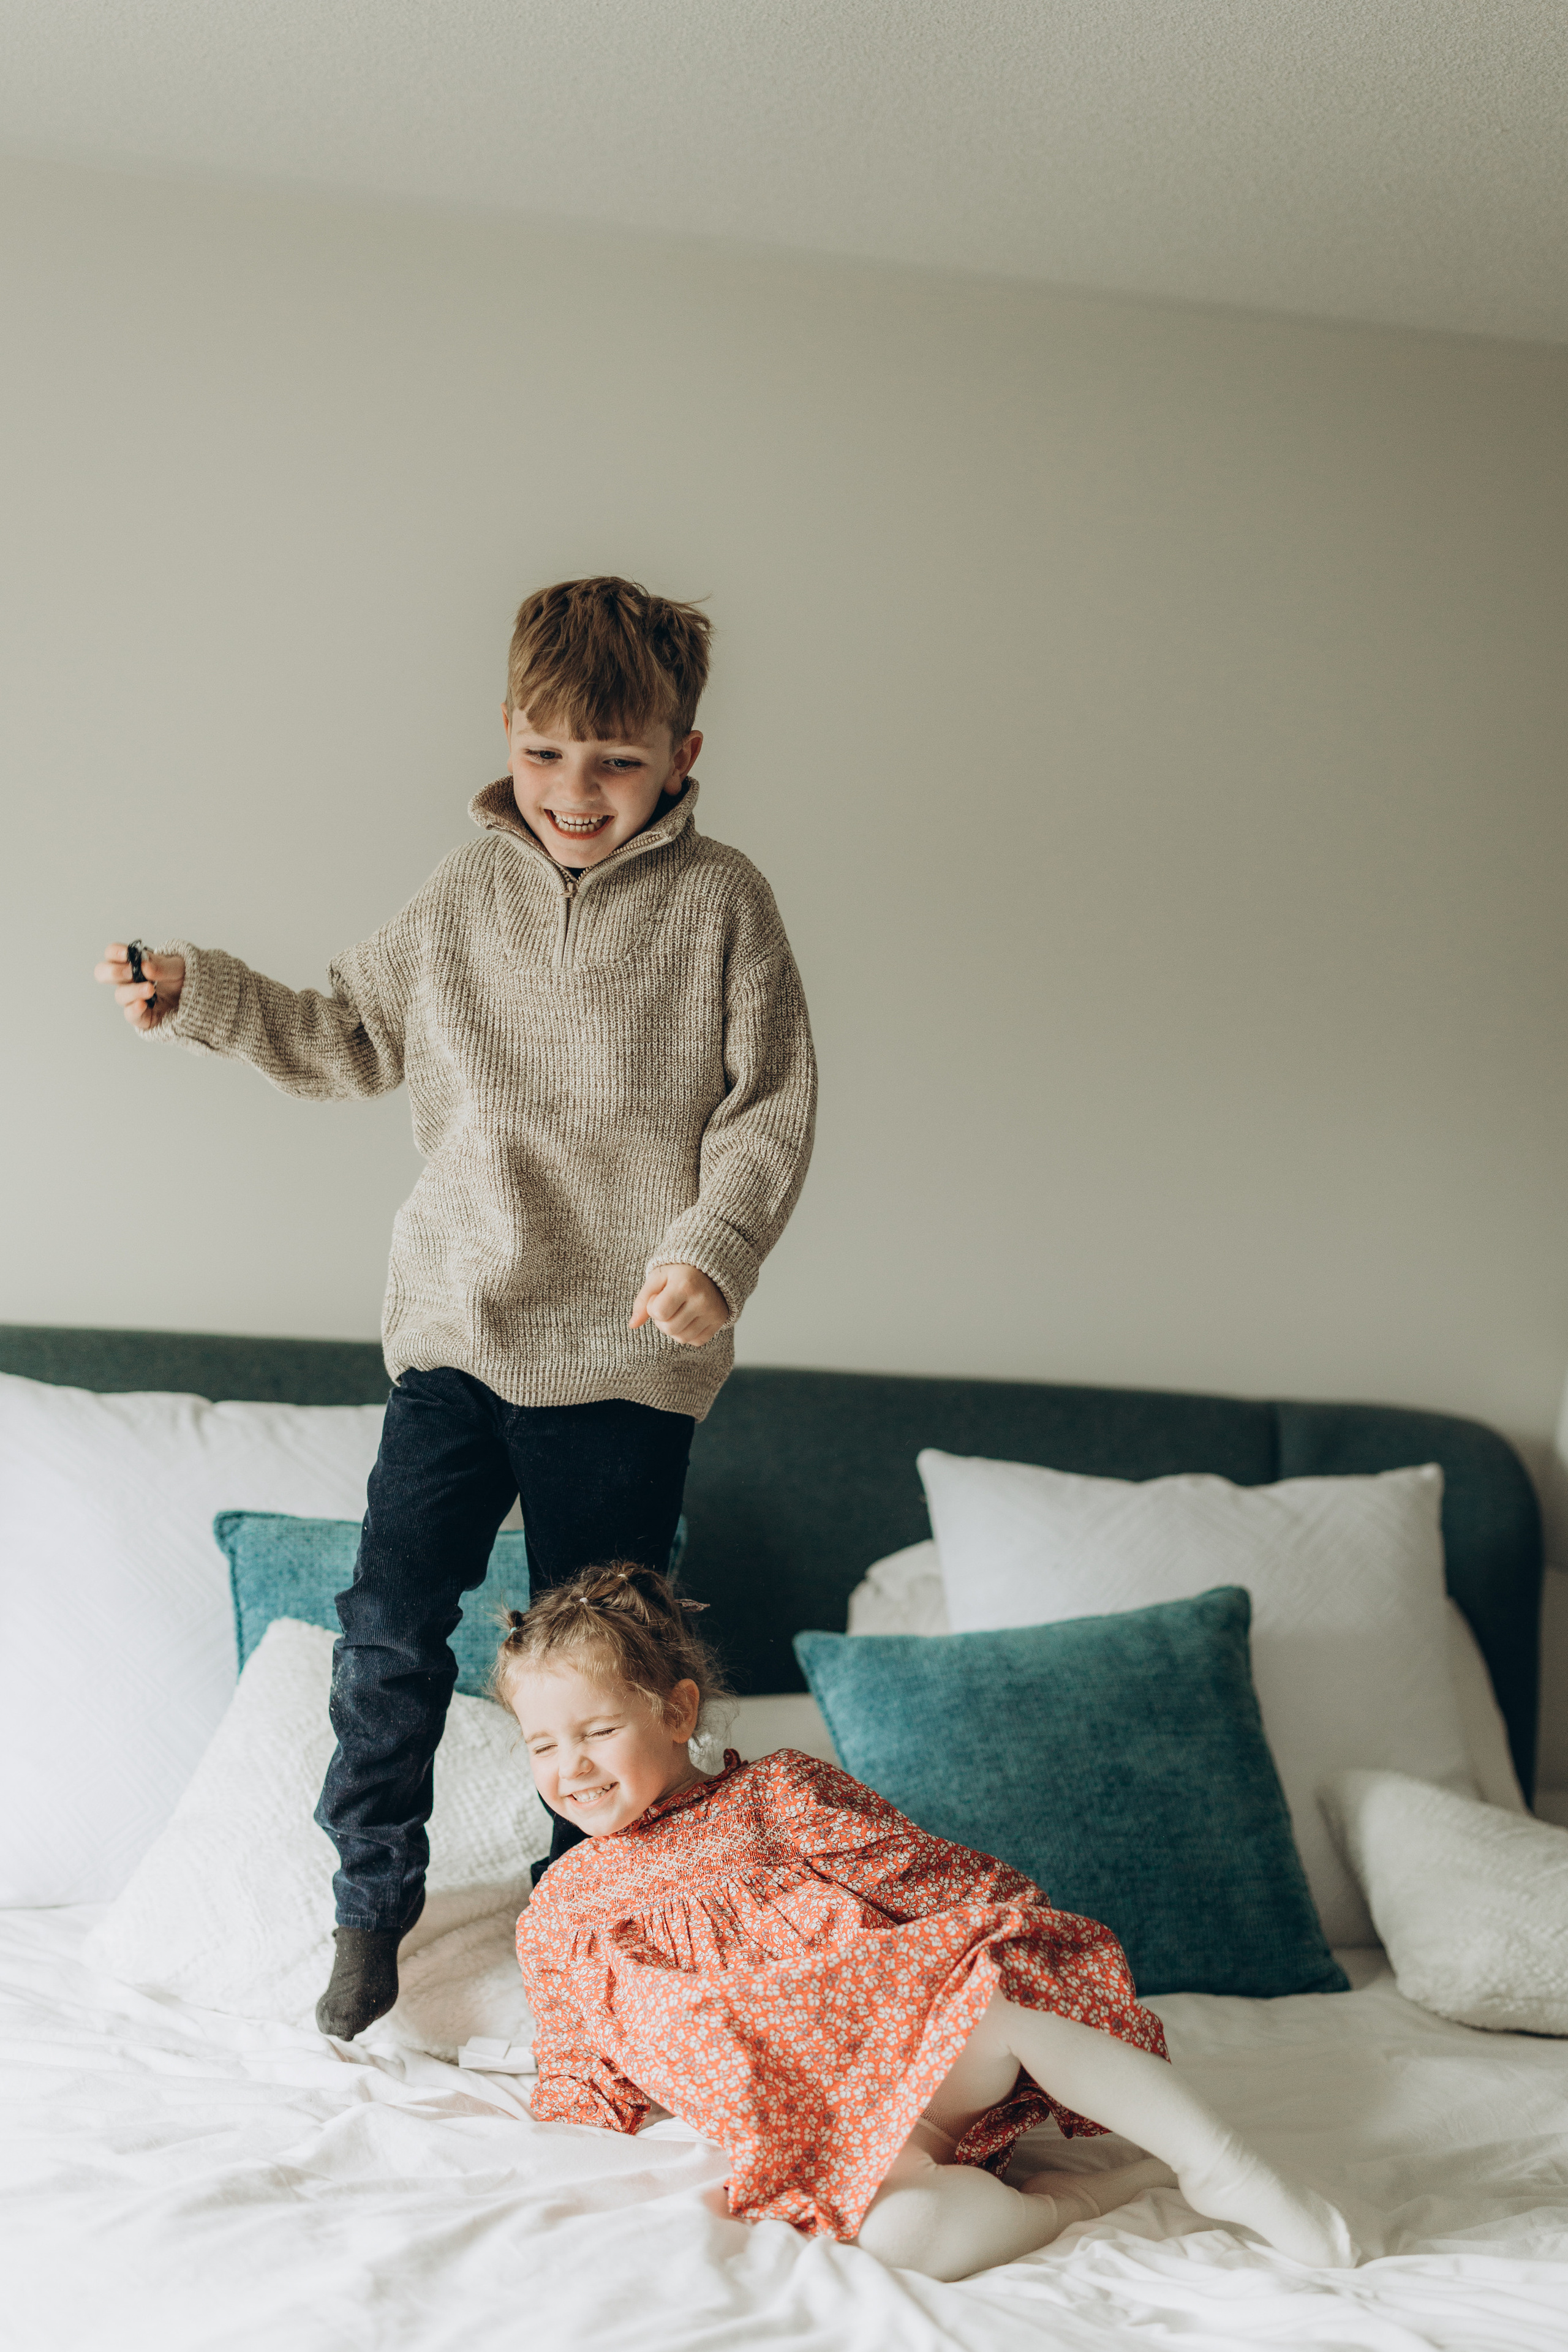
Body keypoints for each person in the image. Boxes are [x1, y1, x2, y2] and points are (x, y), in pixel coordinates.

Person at [93, 578, 817, 2042]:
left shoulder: (721, 900)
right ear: (508, 735)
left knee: (605, 1675)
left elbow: (767, 1113)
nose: (575, 791)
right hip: (459, 1335)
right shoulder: (461, 893)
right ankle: (370, 1910)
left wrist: (710, 1250)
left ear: (682, 755)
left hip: (629, 1352)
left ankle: (586, 1932)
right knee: (388, 1623)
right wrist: (201, 995)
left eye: (615, 760)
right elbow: (344, 1035)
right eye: (549, 753)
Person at [500, 1564, 1360, 2282]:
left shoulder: (775, 1797)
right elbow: (582, 2073)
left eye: (599, 1730)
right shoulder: (558, 1912)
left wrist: (1016, 1936)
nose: (570, 1767)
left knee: (984, 2000)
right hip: (813, 2132)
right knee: (907, 2244)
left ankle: (1220, 2164)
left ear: (678, 1713)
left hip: (920, 2053)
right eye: (542, 1745)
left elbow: (928, 1881)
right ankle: (1089, 2197)